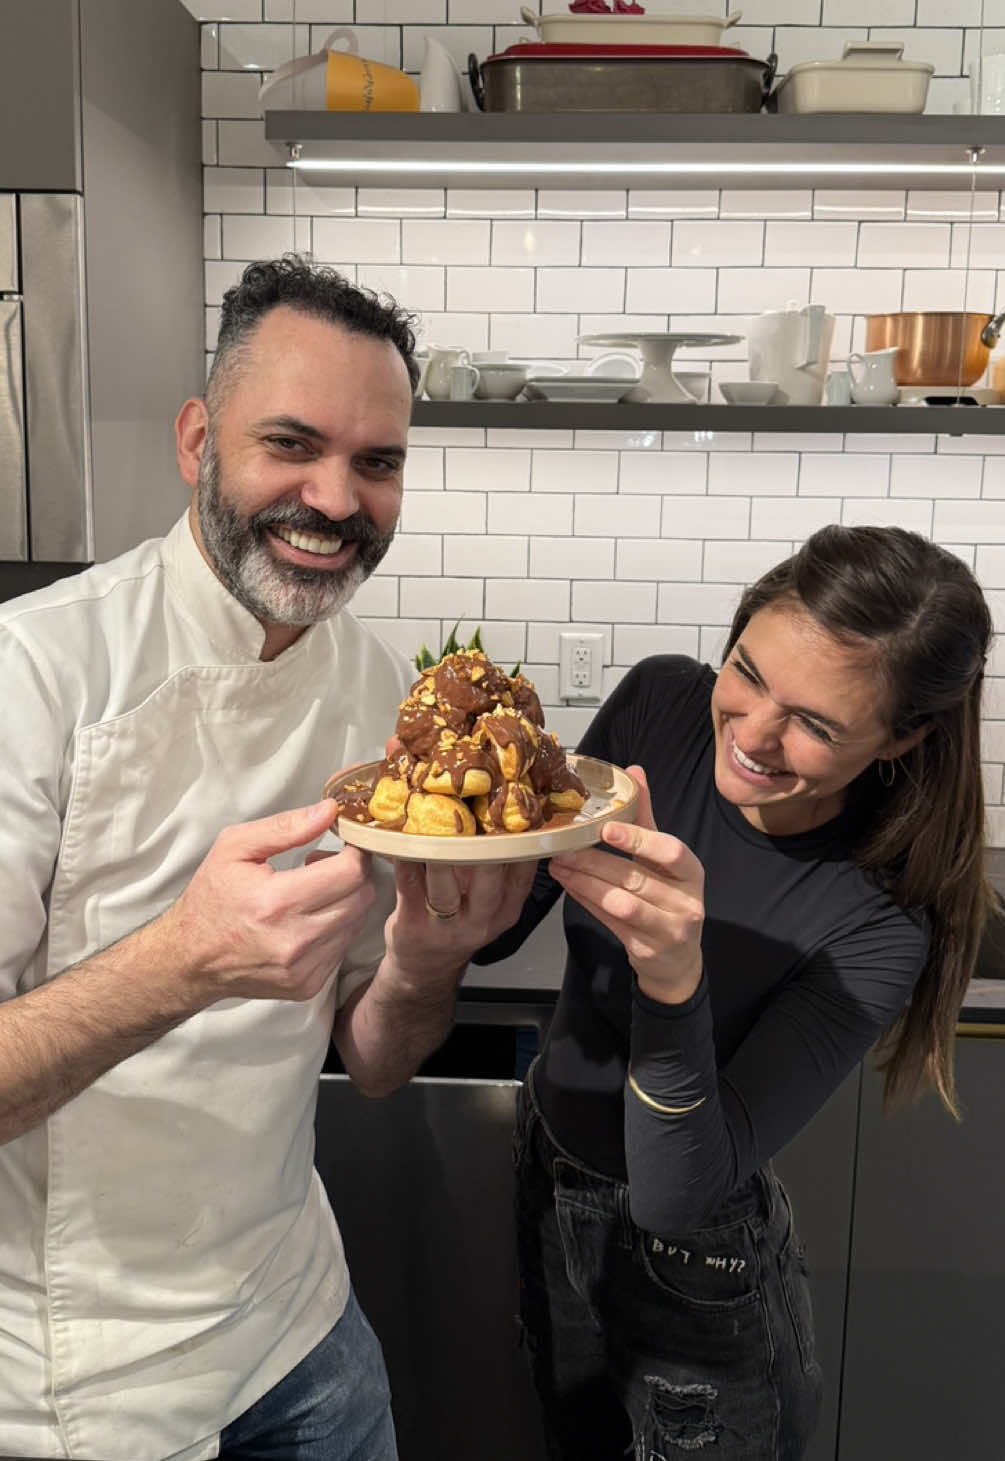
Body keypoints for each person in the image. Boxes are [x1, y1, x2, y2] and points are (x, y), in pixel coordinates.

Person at [0, 256, 534, 1461]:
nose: (335, 500)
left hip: (301, 1325)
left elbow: (376, 1057)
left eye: (377, 463)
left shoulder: (374, 691)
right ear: (198, 440)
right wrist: (188, 957)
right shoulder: (34, 672)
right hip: (82, 1390)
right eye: (289, 444)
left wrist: (424, 961)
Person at [474, 524, 993, 1461]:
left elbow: (676, 1193)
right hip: (545, 1186)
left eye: (817, 724)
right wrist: (456, 845)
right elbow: (504, 925)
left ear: (903, 736)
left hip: (695, 1273)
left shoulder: (876, 920)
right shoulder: (658, 704)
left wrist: (673, 985)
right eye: (747, 672)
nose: (753, 735)